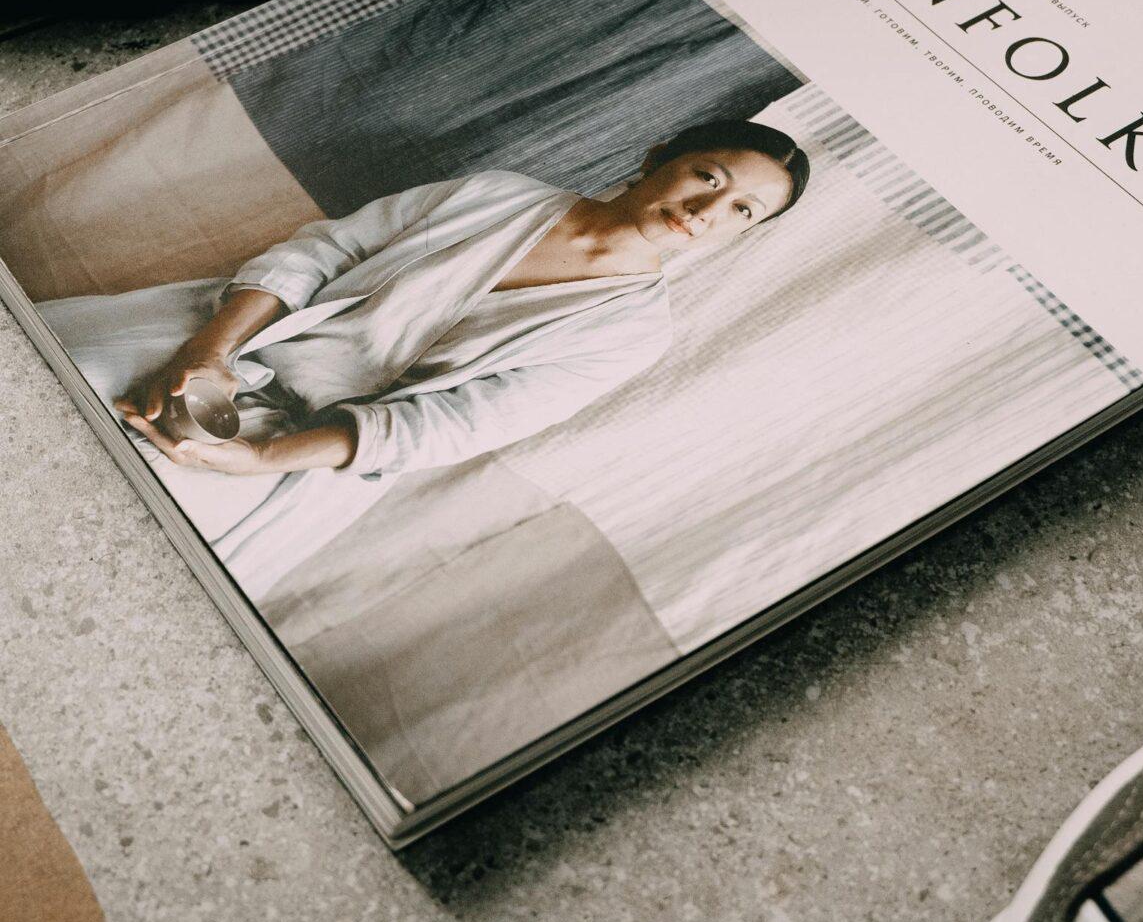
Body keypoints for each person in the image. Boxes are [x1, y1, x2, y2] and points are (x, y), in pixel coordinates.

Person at [39, 118, 809, 585]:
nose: (708, 208)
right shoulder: (498, 193)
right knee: (51, 401)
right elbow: (322, 253)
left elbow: (453, 425)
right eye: (707, 175)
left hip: (306, 453)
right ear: (658, 156)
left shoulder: (633, 334)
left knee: (121, 533)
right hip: (229, 339)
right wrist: (209, 355)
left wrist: (259, 460)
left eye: (741, 210)